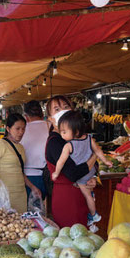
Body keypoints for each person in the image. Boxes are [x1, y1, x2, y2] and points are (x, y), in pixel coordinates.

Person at [45, 96, 98, 228]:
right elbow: (73, 173)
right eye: (57, 109)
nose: (63, 111)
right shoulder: (55, 142)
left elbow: (93, 164)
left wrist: (94, 177)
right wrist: (96, 155)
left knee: (85, 237)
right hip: (67, 198)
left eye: (66, 107)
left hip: (83, 195)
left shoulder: (78, 138)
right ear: (50, 119)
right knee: (72, 238)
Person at [52, 111, 112, 226]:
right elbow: (98, 151)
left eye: (64, 132)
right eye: (61, 132)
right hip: (91, 171)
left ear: (76, 131)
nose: (62, 135)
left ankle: (94, 215)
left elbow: (61, 161)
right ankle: (91, 212)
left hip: (81, 175)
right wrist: (106, 161)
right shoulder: (90, 139)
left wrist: (56, 172)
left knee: (87, 196)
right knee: (90, 192)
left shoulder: (68, 146)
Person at [0, 113, 41, 213]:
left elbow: (20, 171)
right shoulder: (0, 145)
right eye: (17, 129)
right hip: (6, 195)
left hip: (21, 194)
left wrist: (32, 187)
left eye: (23, 129)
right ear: (8, 129)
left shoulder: (21, 147)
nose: (21, 132)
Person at [21, 100, 50, 200]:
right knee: (46, 209)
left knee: (31, 211)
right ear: (42, 114)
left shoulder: (20, 129)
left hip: (27, 177)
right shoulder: (51, 127)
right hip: (48, 175)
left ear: (26, 116)